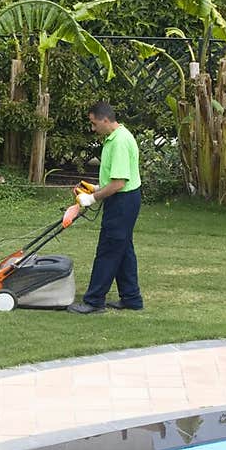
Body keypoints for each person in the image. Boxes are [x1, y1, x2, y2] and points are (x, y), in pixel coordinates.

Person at [68, 102, 143, 314]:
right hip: (126, 199)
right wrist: (96, 188)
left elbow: (119, 183)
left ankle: (94, 301)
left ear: (105, 120)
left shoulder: (119, 141)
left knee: (108, 250)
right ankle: (132, 298)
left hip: (122, 202)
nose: (92, 129)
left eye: (93, 123)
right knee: (124, 249)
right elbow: (117, 179)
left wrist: (92, 199)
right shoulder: (117, 137)